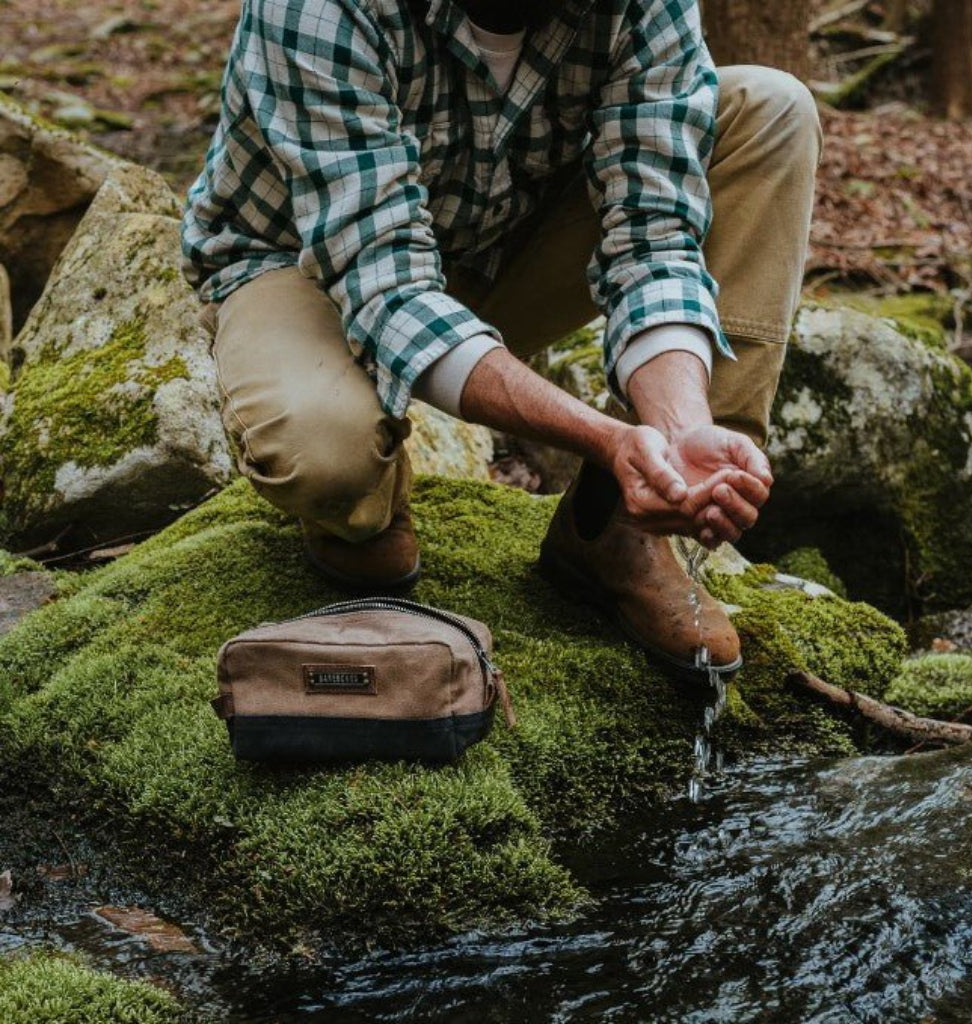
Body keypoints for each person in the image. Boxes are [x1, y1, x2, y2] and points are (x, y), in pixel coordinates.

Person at [180, 0, 822, 677]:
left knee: (770, 108)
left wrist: (676, 429)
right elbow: (386, 287)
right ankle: (364, 500)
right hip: (309, 266)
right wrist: (601, 437)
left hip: (506, 241)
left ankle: (625, 526)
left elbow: (652, 237)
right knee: (328, 461)